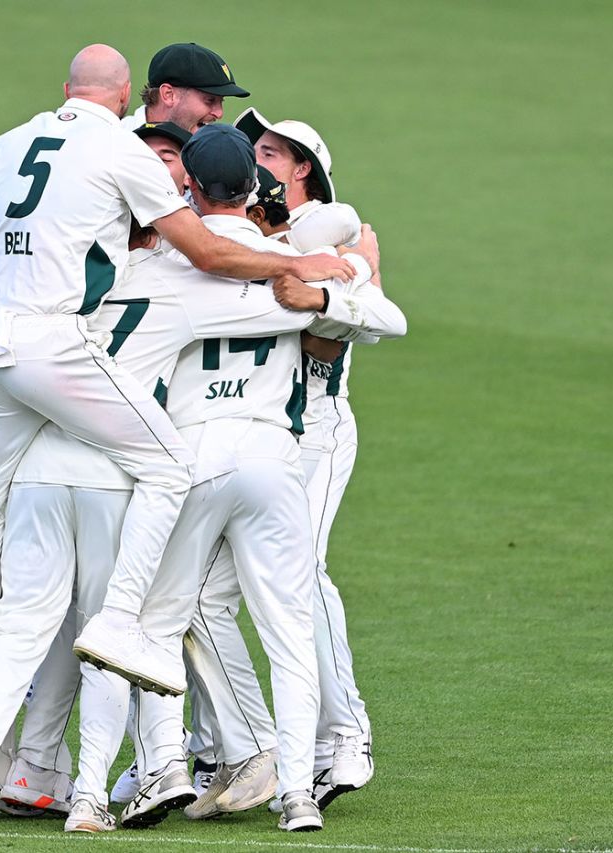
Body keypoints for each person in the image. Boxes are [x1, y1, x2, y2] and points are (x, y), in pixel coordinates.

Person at [0, 45, 353, 836]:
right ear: (137, 97)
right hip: (89, 432)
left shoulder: (15, 142)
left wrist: (10, 263)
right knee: (125, 598)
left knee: (4, 579)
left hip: (8, 383)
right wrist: (319, 268)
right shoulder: (130, 187)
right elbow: (224, 262)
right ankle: (92, 796)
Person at [77, 125, 407, 834]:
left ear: (189, 189)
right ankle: (298, 795)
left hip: (193, 459)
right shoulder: (287, 263)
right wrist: (328, 290)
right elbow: (389, 319)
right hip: (273, 460)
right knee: (287, 629)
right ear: (254, 190)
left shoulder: (166, 269)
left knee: (160, 622)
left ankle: (159, 766)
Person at [236, 107, 382, 807]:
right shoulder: (243, 229)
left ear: (302, 171)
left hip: (314, 427)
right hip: (252, 429)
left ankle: (344, 739)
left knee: (303, 571)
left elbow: (327, 343)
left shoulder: (334, 229)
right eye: (251, 146)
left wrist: (319, 270)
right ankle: (227, 750)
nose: (256, 155)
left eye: (271, 148)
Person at [121, 43, 249, 132]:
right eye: (210, 100)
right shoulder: (115, 143)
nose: (219, 113)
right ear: (168, 95)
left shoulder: (209, 154)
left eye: (221, 101)